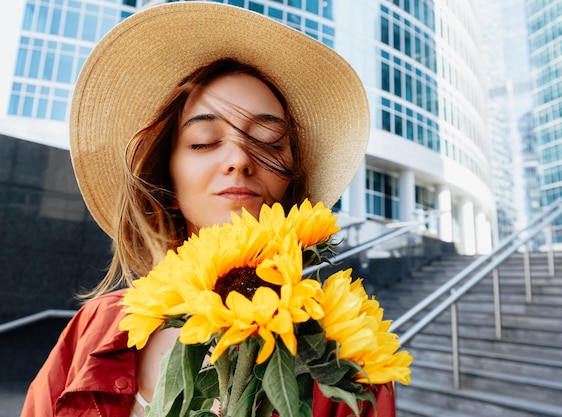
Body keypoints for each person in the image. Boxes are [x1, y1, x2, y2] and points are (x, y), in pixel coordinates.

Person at [21, 2, 395, 417]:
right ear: (167, 174)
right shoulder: (95, 327)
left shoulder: (349, 350)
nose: (239, 158)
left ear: (293, 178)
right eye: (203, 141)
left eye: (270, 140)